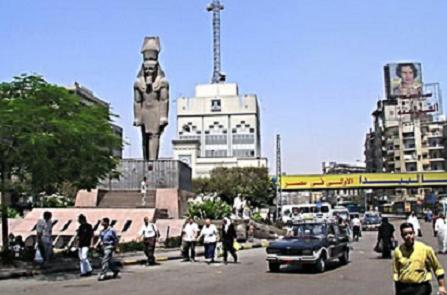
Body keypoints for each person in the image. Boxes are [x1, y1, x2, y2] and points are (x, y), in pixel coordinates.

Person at [133, 37, 169, 161]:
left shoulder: (163, 82)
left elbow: (164, 100)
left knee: (154, 135)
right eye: (147, 69)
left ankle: (153, 162)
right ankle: (145, 161)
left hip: (156, 110)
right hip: (144, 111)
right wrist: (137, 117)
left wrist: (163, 116)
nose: (149, 72)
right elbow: (137, 101)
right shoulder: (138, 83)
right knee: (144, 137)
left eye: (151, 69)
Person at [393, 222, 446, 295]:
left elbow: (437, 268)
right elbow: (396, 273)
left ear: (414, 233)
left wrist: (441, 287)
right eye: (405, 234)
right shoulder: (398, 251)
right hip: (403, 288)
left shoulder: (425, 249)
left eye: (411, 233)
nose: (408, 236)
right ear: (402, 236)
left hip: (421, 288)